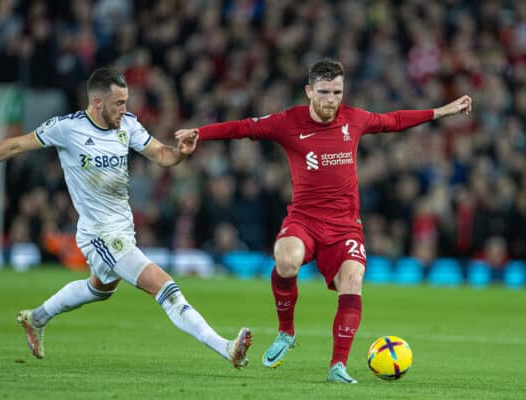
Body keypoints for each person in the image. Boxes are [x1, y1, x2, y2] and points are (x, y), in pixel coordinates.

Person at [0, 67, 252, 368]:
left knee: (101, 289)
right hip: (99, 234)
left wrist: (181, 154)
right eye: (119, 103)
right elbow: (15, 145)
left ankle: (37, 318)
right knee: (163, 286)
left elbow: (162, 156)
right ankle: (227, 349)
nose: (125, 109)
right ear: (98, 102)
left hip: (123, 229)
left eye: (126, 102)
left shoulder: (127, 125)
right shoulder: (67, 128)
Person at [175, 58, 472, 383]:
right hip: (304, 219)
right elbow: (244, 127)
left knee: (353, 281)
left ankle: (337, 366)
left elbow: (395, 119)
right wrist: (199, 133)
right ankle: (286, 331)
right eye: (325, 92)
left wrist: (442, 111)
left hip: (345, 226)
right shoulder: (288, 122)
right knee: (286, 260)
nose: (332, 99)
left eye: (337, 92)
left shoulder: (354, 119)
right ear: (309, 91)